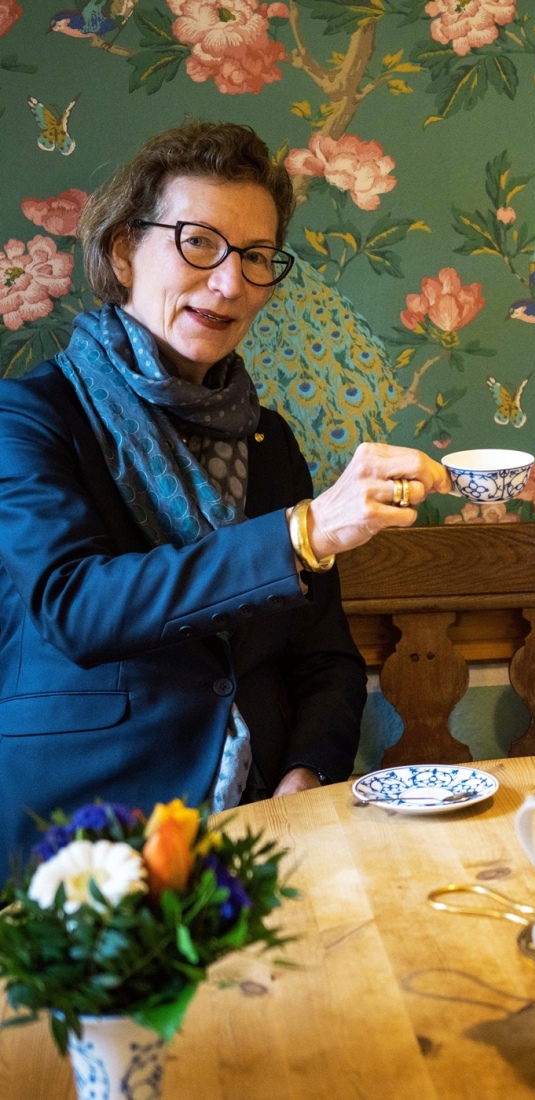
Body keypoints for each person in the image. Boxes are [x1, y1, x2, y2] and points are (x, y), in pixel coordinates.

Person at [0, 121, 450, 859]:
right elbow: (74, 606)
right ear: (122, 251)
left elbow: (324, 657)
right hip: (84, 832)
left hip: (265, 828)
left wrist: (309, 773)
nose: (230, 283)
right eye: (199, 243)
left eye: (256, 257)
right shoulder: (29, 416)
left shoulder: (267, 440)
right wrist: (300, 534)